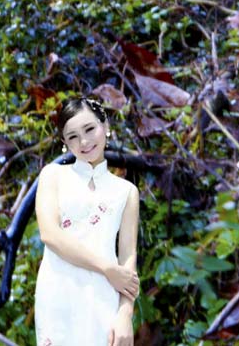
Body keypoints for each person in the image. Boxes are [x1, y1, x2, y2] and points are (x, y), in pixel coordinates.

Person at [34, 97, 140, 346]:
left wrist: (125, 314)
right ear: (64, 143)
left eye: (90, 129)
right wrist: (107, 268)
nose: (83, 142)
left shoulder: (126, 191)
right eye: (72, 136)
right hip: (59, 292)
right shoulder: (53, 175)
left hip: (105, 296)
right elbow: (50, 235)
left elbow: (127, 258)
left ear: (105, 125)